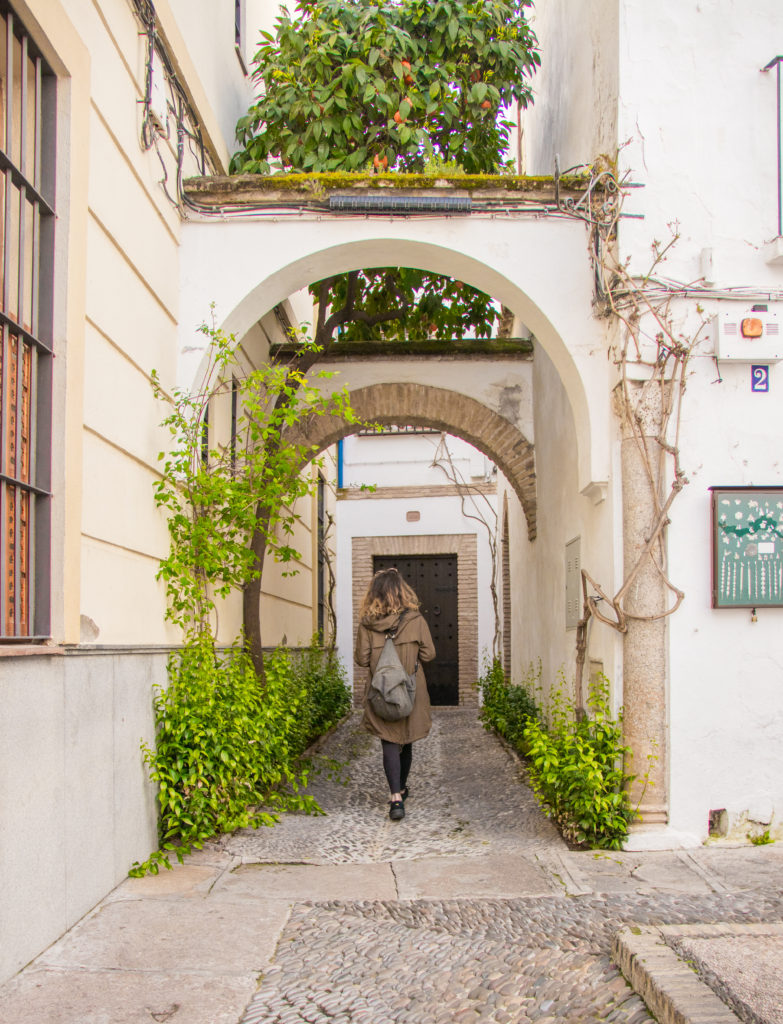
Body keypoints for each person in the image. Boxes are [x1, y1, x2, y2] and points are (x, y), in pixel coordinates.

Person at [355, 567, 436, 822]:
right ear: (402, 592)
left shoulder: (367, 625)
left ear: (374, 594)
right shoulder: (416, 620)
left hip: (381, 692)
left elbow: (361, 659)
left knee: (388, 741)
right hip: (411, 690)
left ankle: (395, 798)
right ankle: (401, 787)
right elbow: (429, 655)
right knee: (406, 738)